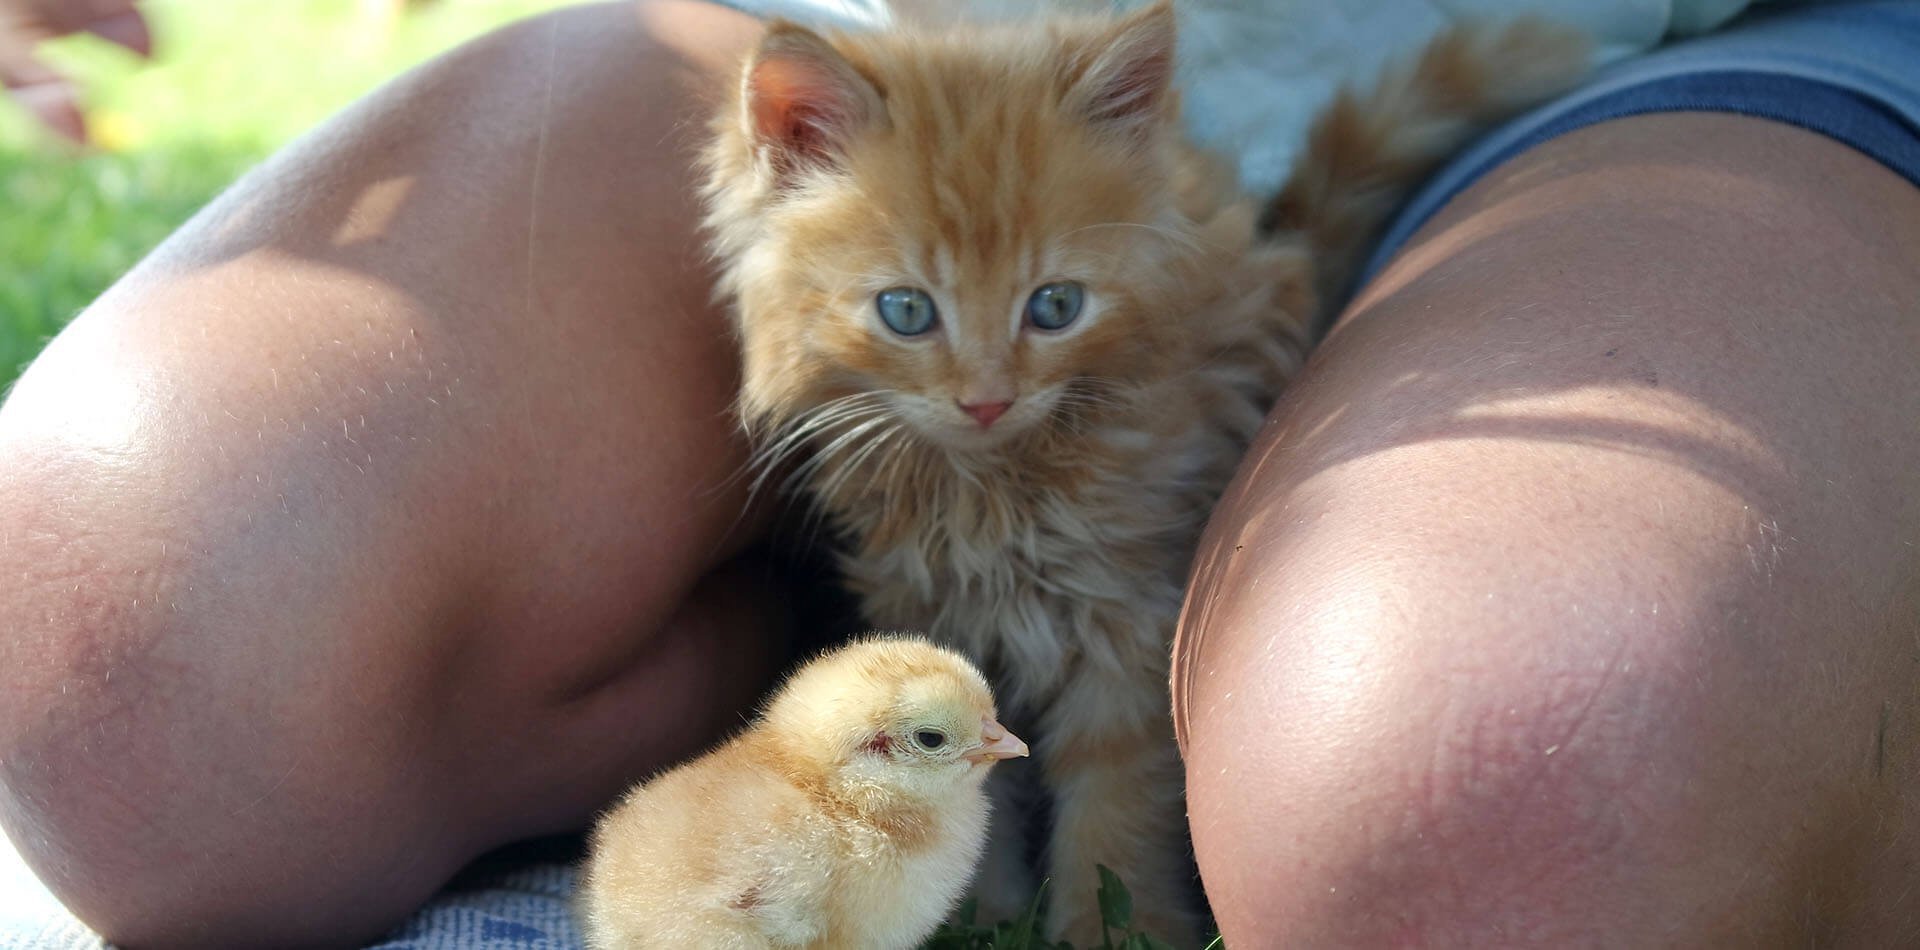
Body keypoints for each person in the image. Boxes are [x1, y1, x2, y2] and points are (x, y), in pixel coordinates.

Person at [1, 0, 1915, 946]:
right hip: (875, 41)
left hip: (1642, 52)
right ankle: (878, 633)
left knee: (1501, 791)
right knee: (138, 666)